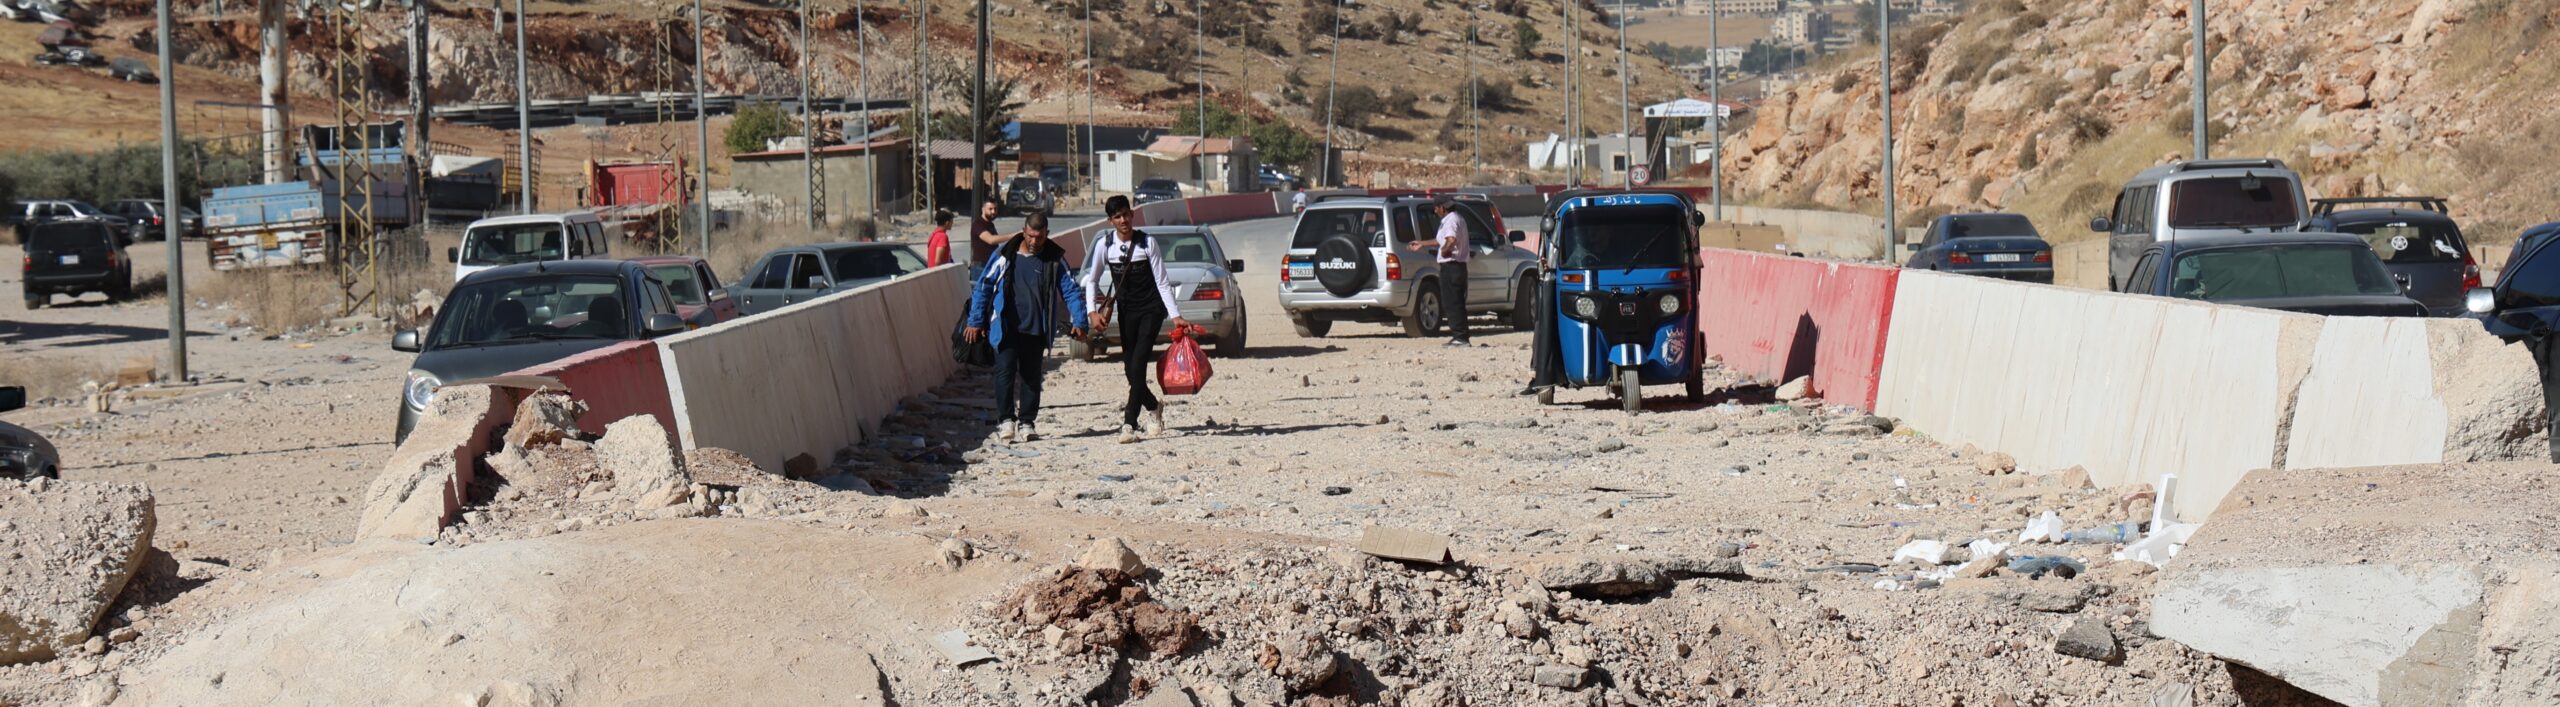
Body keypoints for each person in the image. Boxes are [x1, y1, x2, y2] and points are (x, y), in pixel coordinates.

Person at [963, 211, 1087, 444]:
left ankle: (1027, 422)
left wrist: (1080, 321)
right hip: (1006, 326)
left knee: (1031, 377)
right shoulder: (1005, 254)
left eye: (1039, 237)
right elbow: (984, 286)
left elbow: (1070, 290)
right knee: (1005, 372)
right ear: (1023, 231)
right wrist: (975, 320)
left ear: (1047, 234)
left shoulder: (1054, 259)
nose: (1034, 241)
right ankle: (1006, 420)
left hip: (1036, 327)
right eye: (1030, 236)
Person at [1081, 196, 1192, 444]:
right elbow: (1092, 280)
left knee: (1139, 363)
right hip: (1126, 311)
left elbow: (1162, 282)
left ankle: (1129, 423)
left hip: (1151, 310)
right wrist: (1092, 312)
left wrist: (1175, 315)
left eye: (1126, 214)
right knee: (1130, 370)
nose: (1123, 220)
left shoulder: (1147, 242)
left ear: (1132, 215)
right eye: (1117, 216)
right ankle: (1153, 406)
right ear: (1110, 220)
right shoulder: (1105, 245)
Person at [1406, 196, 1471, 347]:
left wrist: (1444, 250)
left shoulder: (1451, 220)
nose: (1435, 211)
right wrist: (1422, 244)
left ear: (1443, 207)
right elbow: (1441, 240)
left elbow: (1451, 240)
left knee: (1452, 303)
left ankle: (1460, 337)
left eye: (1436, 207)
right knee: (1454, 301)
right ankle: (1461, 336)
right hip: (1455, 267)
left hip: (1452, 266)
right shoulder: (1454, 218)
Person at [967, 197, 1004, 271]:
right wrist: (1013, 235)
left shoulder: (991, 225)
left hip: (991, 264)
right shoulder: (978, 224)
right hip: (980, 266)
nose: (993, 212)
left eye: (995, 209)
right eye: (990, 209)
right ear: (983, 209)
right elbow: (991, 240)